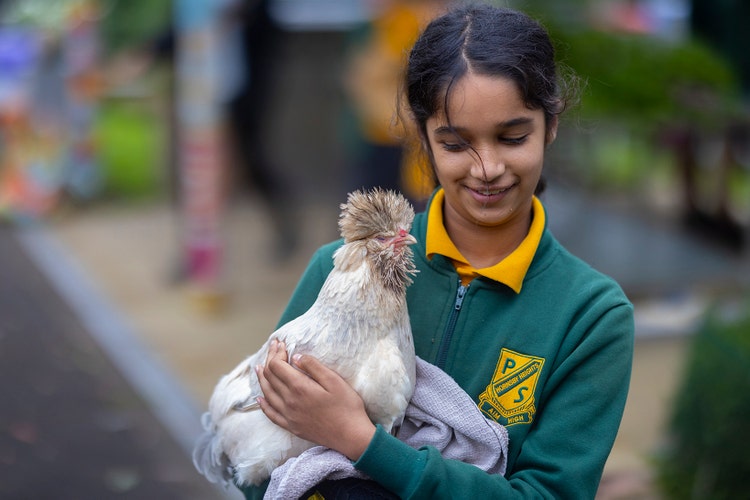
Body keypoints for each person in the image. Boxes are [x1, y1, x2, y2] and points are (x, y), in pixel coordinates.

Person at [248, 3, 635, 498]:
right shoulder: (337, 270)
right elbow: (256, 461)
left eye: (512, 137)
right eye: (455, 144)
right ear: (422, 138)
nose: (487, 166)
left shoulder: (589, 316)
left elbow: (548, 493)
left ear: (551, 125)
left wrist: (360, 441)